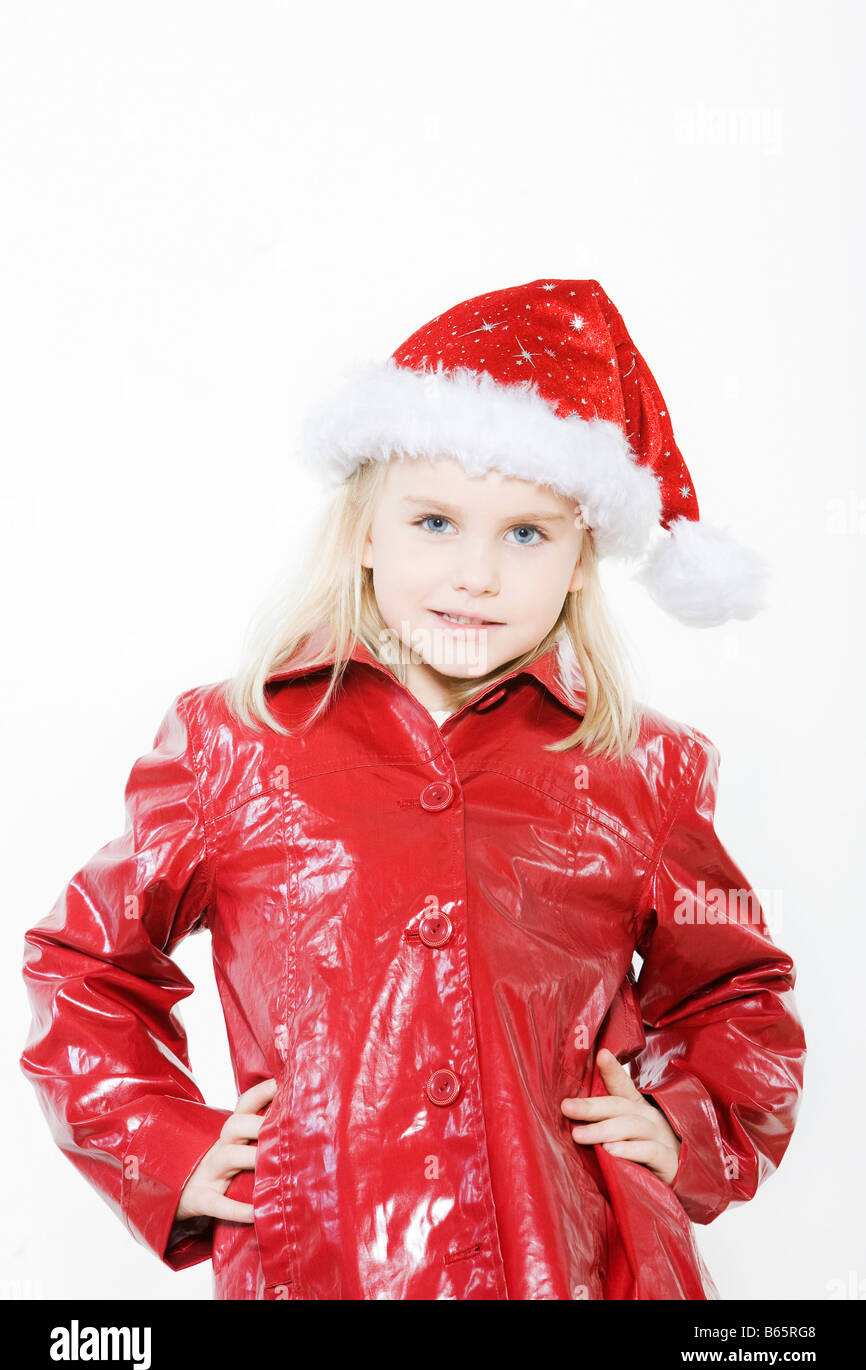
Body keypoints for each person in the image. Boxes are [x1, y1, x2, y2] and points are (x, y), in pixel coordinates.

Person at [20, 277, 806, 1300]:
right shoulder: (237, 742)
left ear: (578, 563)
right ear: (364, 531)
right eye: (434, 522)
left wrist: (682, 1120)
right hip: (323, 1262)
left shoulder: (638, 768)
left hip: (575, 1267)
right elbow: (82, 965)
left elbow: (736, 991)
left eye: (525, 534)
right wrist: (168, 1146)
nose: (475, 573)